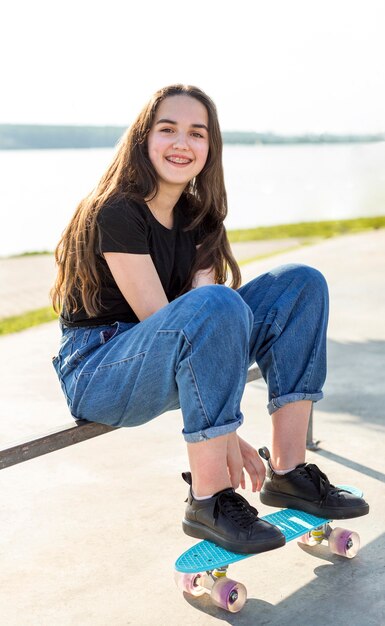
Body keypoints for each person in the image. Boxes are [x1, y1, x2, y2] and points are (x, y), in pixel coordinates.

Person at [51, 84, 369, 555]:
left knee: (300, 283)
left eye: (196, 134)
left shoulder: (200, 218)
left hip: (164, 352)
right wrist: (229, 438)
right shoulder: (116, 211)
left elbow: (208, 323)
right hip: (101, 369)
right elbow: (166, 322)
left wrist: (226, 425)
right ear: (143, 139)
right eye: (168, 130)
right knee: (218, 303)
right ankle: (208, 498)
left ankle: (289, 473)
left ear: (209, 148)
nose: (182, 143)